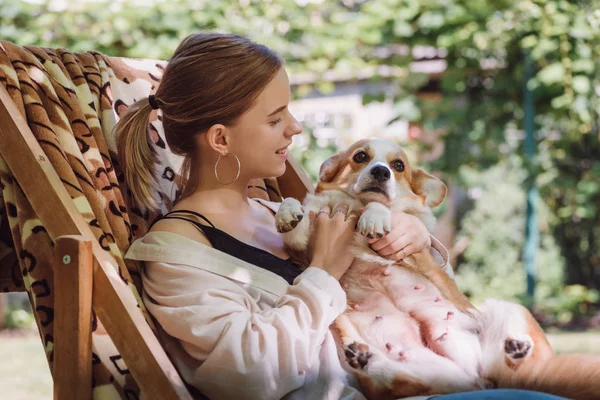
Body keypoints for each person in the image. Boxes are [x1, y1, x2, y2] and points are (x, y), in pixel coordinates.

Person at [120, 33, 566, 400]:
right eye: (276, 119)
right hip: (374, 387)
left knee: (561, 379)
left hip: (437, 365)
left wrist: (414, 240)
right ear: (220, 139)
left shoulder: (279, 212)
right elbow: (249, 376)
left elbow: (427, 302)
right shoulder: (179, 254)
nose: (295, 128)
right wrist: (323, 270)